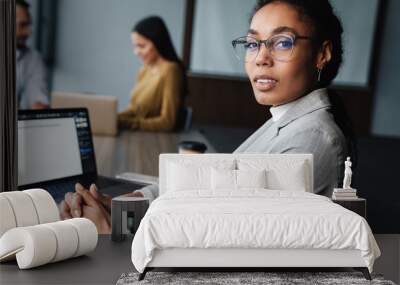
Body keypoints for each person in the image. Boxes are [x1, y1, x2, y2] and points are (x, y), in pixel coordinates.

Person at [61, 0, 354, 233]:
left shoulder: (310, 138)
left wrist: (115, 232)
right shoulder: (285, 117)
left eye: (282, 42)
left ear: (322, 54)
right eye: (253, 43)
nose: (261, 57)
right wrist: (131, 203)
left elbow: (227, 241)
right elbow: (216, 186)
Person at [118, 16, 187, 131]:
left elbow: (167, 122)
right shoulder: (144, 70)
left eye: (142, 46)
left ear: (157, 42)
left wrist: (125, 123)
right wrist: (113, 118)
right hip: (138, 136)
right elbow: (135, 109)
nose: (136, 52)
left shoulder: (171, 70)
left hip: (154, 141)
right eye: (135, 46)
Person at [16, 0, 49, 110]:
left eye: (29, 25)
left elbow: (39, 103)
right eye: (23, 25)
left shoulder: (32, 59)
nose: (29, 32)